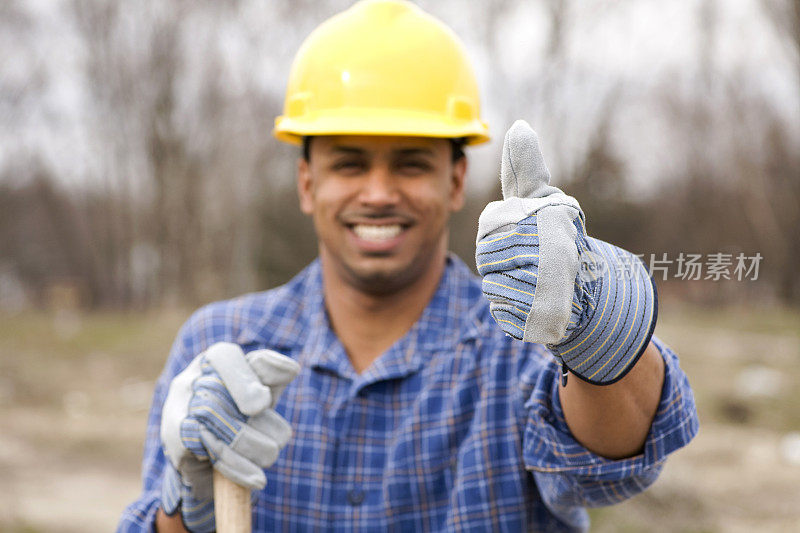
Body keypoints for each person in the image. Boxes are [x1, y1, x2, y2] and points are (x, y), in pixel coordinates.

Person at [118, 1, 698, 531]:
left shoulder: (527, 341)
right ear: (306, 182)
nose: (378, 193)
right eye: (349, 164)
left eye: (410, 164)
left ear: (454, 181)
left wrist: (602, 345)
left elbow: (612, 467)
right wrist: (183, 505)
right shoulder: (219, 346)